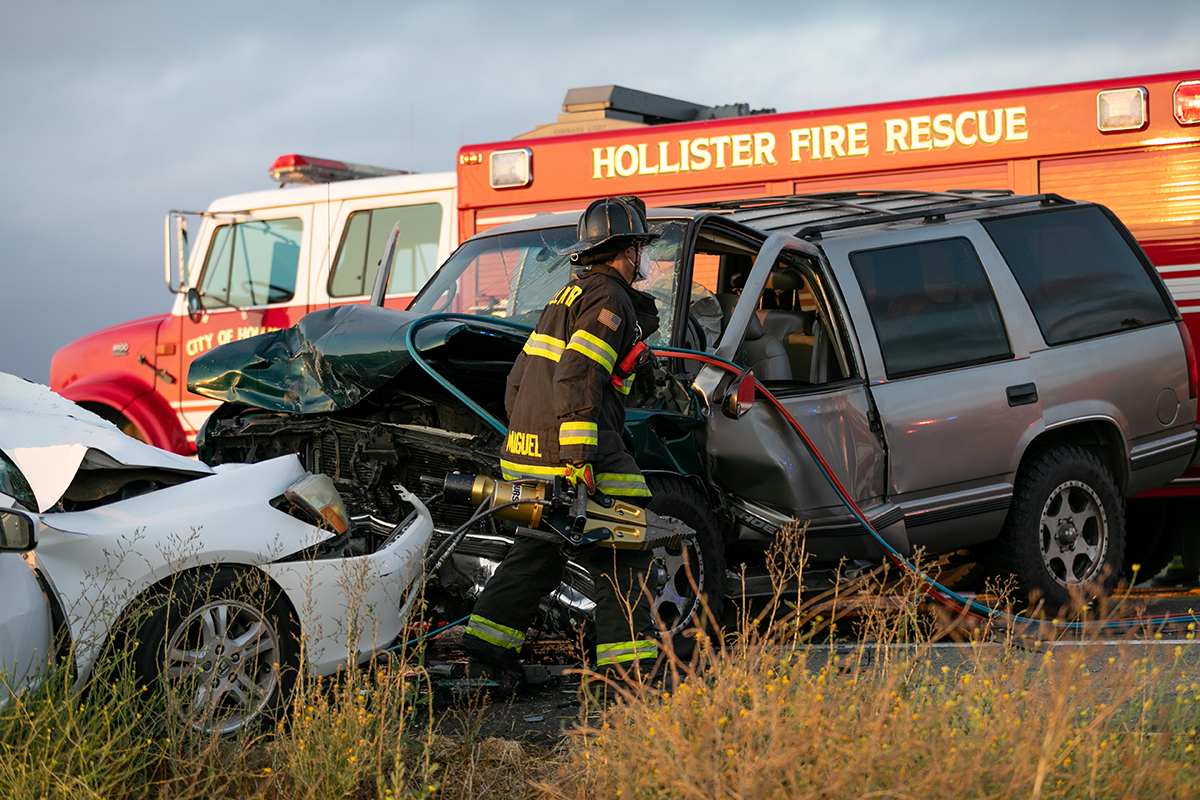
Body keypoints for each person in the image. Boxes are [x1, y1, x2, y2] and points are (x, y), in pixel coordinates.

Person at [461, 195, 663, 693]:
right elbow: (577, 378)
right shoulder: (610, 300)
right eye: (638, 246)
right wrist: (577, 460)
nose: (642, 257)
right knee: (623, 545)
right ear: (625, 251)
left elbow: (517, 383)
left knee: (537, 553)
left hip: (528, 453)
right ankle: (628, 676)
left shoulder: (565, 296)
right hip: (570, 456)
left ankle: (487, 654)